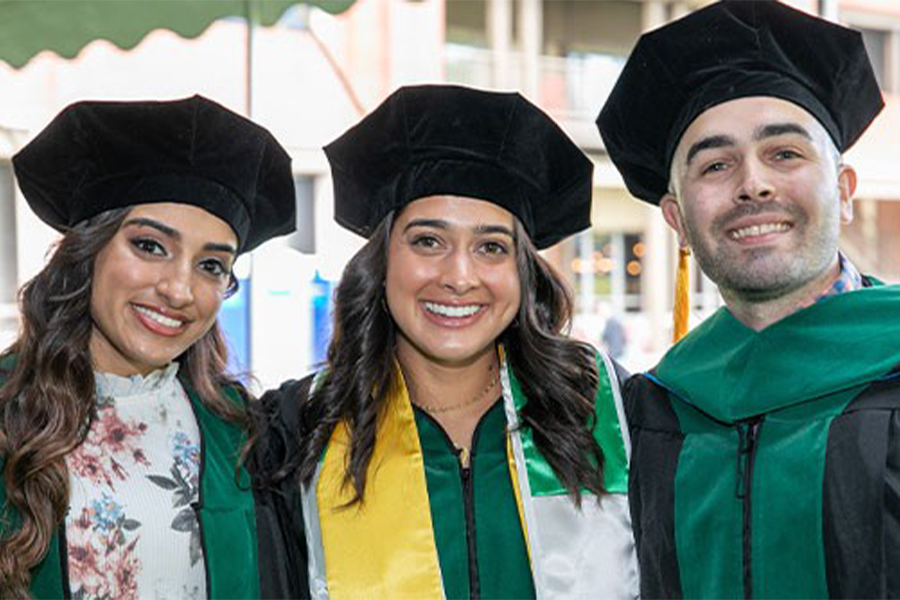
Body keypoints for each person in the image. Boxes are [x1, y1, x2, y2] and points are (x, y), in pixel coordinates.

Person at [259, 84, 637, 599]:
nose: (460, 277)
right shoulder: (300, 430)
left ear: (522, 272)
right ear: (382, 259)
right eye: (428, 241)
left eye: (491, 247)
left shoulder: (610, 414)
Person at [597, 1, 897, 598]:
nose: (752, 183)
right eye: (716, 164)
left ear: (842, 191)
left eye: (784, 153)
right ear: (678, 220)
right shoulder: (653, 411)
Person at [0, 95, 298, 599]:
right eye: (150, 246)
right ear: (88, 249)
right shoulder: (9, 408)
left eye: (210, 266)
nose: (179, 290)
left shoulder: (239, 432)